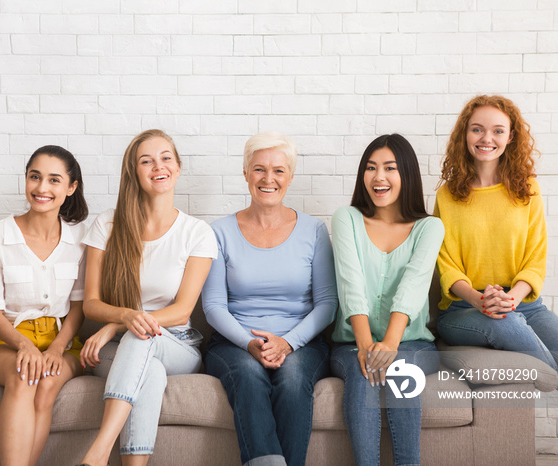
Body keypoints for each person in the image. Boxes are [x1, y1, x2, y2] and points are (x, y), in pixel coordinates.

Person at [77, 129, 218, 466]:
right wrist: (124, 319)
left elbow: (183, 309)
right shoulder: (107, 225)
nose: (159, 166)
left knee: (143, 337)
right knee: (149, 370)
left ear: (178, 167)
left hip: (178, 345)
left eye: (166, 158)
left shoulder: (197, 233)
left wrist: (117, 325)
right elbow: (91, 304)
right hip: (122, 352)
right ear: (134, 172)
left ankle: (98, 453)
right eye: (147, 160)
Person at [201, 131, 337, 466]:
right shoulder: (218, 232)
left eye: (278, 170)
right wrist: (250, 343)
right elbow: (213, 306)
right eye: (259, 169)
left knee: (292, 381)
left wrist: (287, 343)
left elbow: (327, 304)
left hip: (302, 343)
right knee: (248, 376)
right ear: (245, 173)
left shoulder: (314, 230)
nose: (268, 178)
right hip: (234, 343)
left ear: (290, 177)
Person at [330, 134, 444, 466]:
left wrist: (390, 343)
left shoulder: (429, 227)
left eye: (390, 168)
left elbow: (413, 286)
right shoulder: (347, 218)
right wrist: (367, 346)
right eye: (370, 168)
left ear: (406, 174)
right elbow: (350, 284)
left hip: (413, 344)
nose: (378, 177)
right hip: (351, 343)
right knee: (363, 371)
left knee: (400, 368)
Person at [0, 145, 88, 466]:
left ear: (71, 188)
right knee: (25, 375)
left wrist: (56, 349)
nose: (41, 188)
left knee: (47, 383)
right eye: (34, 177)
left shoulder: (80, 240)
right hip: (4, 340)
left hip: (61, 342)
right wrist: (23, 345)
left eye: (54, 180)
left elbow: (79, 307)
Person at [434, 95, 558, 370]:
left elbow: (536, 260)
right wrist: (480, 301)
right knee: (507, 323)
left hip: (524, 303)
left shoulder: (528, 189)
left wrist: (511, 299)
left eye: (497, 131)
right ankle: (551, 378)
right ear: (465, 134)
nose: (486, 138)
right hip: (463, 309)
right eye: (477, 129)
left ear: (511, 136)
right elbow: (446, 265)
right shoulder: (447, 195)